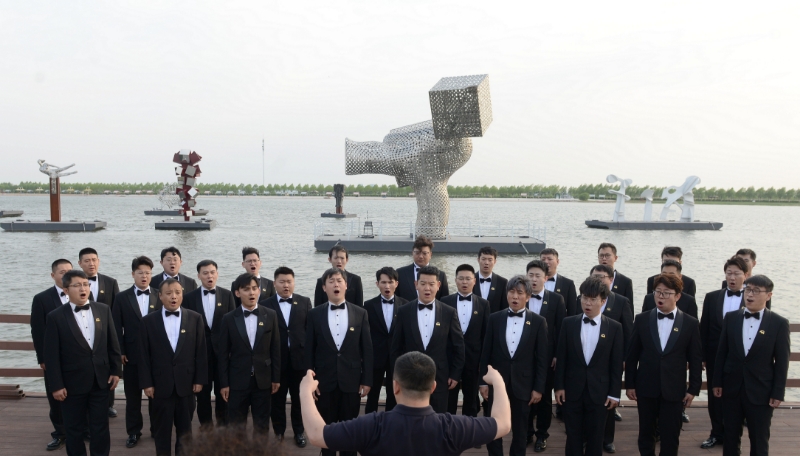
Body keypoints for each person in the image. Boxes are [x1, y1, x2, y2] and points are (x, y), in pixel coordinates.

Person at [301, 352, 511, 455]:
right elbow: (502, 424)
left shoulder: (372, 426)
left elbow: (317, 434)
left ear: (395, 387)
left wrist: (305, 391)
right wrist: (498, 382)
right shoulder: (452, 428)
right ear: (433, 387)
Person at [44, 269, 122, 456]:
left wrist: (116, 371)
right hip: (71, 384)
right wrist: (56, 385)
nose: (83, 289)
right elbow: (51, 355)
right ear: (66, 290)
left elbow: (113, 343)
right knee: (74, 429)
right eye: (77, 285)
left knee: (100, 427)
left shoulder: (103, 310)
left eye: (85, 284)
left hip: (100, 380)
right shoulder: (55, 317)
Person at [712, 275, 790, 456]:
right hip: (732, 388)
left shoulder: (779, 323)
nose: (750, 294)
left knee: (759, 438)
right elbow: (722, 353)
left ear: (768, 295)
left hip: (761, 391)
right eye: (747, 290)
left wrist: (778, 392)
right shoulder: (731, 318)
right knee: (730, 437)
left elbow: (782, 361)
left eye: (756, 291)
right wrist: (717, 382)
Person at [626, 273, 703, 456]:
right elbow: (632, 355)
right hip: (646, 386)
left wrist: (693, 389)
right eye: (658, 292)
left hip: (674, 388)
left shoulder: (690, 323)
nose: (660, 296)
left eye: (666, 293)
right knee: (646, 432)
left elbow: (695, 359)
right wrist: (630, 384)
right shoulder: (642, 319)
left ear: (678, 296)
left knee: (671, 434)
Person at [305, 267, 373, 456]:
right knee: (326, 430)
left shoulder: (360, 313)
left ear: (346, 285)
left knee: (350, 430)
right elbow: (309, 350)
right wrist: (310, 381)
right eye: (331, 281)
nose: (336, 284)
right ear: (324, 287)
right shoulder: (314, 314)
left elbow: (367, 349)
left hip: (351, 381)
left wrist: (367, 380)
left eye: (339, 280)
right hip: (324, 381)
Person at [480, 275, 549, 456]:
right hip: (497, 383)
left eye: (520, 293)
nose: (515, 297)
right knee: (494, 427)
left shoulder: (538, 322)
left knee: (521, 430)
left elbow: (542, 359)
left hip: (523, 384)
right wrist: (482, 382)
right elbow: (485, 353)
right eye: (511, 292)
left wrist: (538, 388)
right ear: (507, 294)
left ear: (528, 296)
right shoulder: (495, 318)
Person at [555, 277, 624, 456]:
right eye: (584, 298)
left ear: (603, 301)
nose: (587, 303)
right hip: (572, 389)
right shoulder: (568, 323)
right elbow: (562, 358)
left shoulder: (614, 328)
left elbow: (616, 364)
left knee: (596, 437)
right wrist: (559, 386)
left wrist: (614, 394)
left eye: (593, 299)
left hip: (600, 392)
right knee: (573, 436)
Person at [140, 279, 208, 456]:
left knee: (185, 432)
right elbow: (143, 356)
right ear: (160, 296)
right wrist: (147, 383)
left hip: (186, 384)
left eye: (177, 293)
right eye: (169, 293)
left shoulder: (195, 318)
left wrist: (199, 380)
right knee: (161, 431)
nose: (174, 297)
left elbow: (201, 352)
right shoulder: (148, 321)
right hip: (160, 385)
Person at [391, 265, 465, 413]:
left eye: (431, 284)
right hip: (410, 377)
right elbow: (396, 347)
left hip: (440, 377)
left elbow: (458, 346)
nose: (427, 288)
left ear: (438, 285)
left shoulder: (449, 312)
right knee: (410, 418)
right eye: (423, 283)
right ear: (416, 284)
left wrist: (455, 375)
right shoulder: (404, 311)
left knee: (439, 418)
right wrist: (398, 375)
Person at [217, 273, 281, 435]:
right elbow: (223, 354)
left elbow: (275, 349)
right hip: (237, 380)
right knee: (236, 426)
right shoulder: (229, 318)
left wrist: (276, 378)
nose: (251, 293)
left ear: (259, 290)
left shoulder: (270, 315)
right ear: (237, 293)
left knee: (262, 425)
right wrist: (224, 383)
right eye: (246, 289)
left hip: (263, 380)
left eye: (254, 288)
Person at [699, 256, 750, 449]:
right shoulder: (712, 297)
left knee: (737, 397)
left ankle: (733, 437)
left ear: (745, 275)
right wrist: (702, 356)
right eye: (729, 273)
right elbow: (704, 328)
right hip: (714, 356)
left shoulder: (752, 298)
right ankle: (716, 433)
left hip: (740, 358)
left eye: (737, 273)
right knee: (715, 396)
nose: (732, 277)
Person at [111, 256, 160, 448]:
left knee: (155, 395)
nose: (144, 276)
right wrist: (120, 351)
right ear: (133, 274)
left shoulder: (159, 295)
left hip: (155, 355)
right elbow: (116, 328)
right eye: (140, 273)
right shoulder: (122, 297)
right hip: (131, 355)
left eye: (148, 273)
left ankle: (156, 428)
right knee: (132, 397)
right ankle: (133, 431)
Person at [260, 266, 311, 447]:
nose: (286, 285)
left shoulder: (304, 302)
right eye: (282, 282)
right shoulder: (265, 304)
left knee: (299, 399)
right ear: (274, 284)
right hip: (276, 362)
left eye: (289, 281)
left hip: (299, 361)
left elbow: (310, 332)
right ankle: (278, 432)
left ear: (294, 283)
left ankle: (299, 431)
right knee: (277, 400)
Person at [183, 260, 236, 429]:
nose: (209, 276)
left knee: (224, 392)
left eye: (212, 272)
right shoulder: (189, 297)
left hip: (223, 354)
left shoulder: (227, 295)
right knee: (202, 395)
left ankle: (223, 427)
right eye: (205, 273)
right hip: (200, 355)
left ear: (217, 274)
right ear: (198, 276)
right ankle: (206, 428)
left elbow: (233, 326)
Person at [588, 264, 633, 453]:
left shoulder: (621, 301)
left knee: (608, 403)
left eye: (602, 277)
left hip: (610, 360)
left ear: (611, 280)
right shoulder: (583, 299)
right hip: (588, 358)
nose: (598, 280)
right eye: (594, 277)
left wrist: (625, 358)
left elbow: (628, 332)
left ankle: (607, 439)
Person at [30, 258, 72, 451]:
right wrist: (42, 358)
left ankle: (83, 429)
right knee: (55, 395)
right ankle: (60, 433)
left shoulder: (80, 294)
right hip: (53, 356)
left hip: (77, 356)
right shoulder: (42, 299)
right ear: (53, 275)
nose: (66, 275)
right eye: (62, 272)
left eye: (69, 271)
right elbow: (38, 331)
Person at [524, 260, 566, 452]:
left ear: (546, 278)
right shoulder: (519, 296)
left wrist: (557, 355)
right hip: (523, 358)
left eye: (538, 276)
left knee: (545, 398)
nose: (534, 279)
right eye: (530, 275)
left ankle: (542, 434)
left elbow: (561, 330)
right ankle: (526, 432)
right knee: (524, 396)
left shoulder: (556, 299)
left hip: (547, 358)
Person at [441, 264, 490, 419]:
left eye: (468, 279)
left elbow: (485, 336)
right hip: (450, 358)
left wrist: (483, 362)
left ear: (474, 281)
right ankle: (448, 427)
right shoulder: (444, 301)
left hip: (473, 359)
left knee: (471, 397)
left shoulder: (483, 304)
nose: (464, 282)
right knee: (449, 397)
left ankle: (470, 428)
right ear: (455, 280)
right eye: (461, 278)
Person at [78, 247, 121, 418]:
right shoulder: (75, 284)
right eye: (87, 261)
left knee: (107, 368)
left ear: (99, 261)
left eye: (94, 260)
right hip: (83, 335)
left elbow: (116, 311)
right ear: (80, 263)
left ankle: (109, 404)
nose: (91, 263)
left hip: (104, 335)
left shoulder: (110, 282)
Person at [364, 267, 409, 413]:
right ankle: (370, 423)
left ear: (396, 283)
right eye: (383, 282)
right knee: (372, 394)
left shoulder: (406, 305)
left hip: (397, 357)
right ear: (377, 284)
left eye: (390, 282)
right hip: (376, 356)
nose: (387, 286)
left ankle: (392, 422)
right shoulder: (368, 305)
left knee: (394, 393)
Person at [395, 236, 450, 301]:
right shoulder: (400, 273)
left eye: (424, 253)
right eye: (417, 253)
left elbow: (444, 301)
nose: (421, 256)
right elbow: (396, 299)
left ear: (430, 255)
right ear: (412, 253)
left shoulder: (441, 275)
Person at [540, 248, 578, 316]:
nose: (546, 262)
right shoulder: (531, 282)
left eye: (549, 259)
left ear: (557, 261)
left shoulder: (568, 284)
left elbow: (572, 310)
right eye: (543, 259)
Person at [597, 243, 634, 314]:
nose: (604, 258)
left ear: (615, 258)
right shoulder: (590, 280)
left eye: (607, 256)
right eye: (601, 256)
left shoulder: (625, 282)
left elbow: (629, 311)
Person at [472, 246, 509, 313]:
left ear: (495, 261)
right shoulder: (470, 279)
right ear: (478, 260)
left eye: (490, 260)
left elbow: (505, 307)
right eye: (483, 259)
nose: (486, 263)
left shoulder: (502, 282)